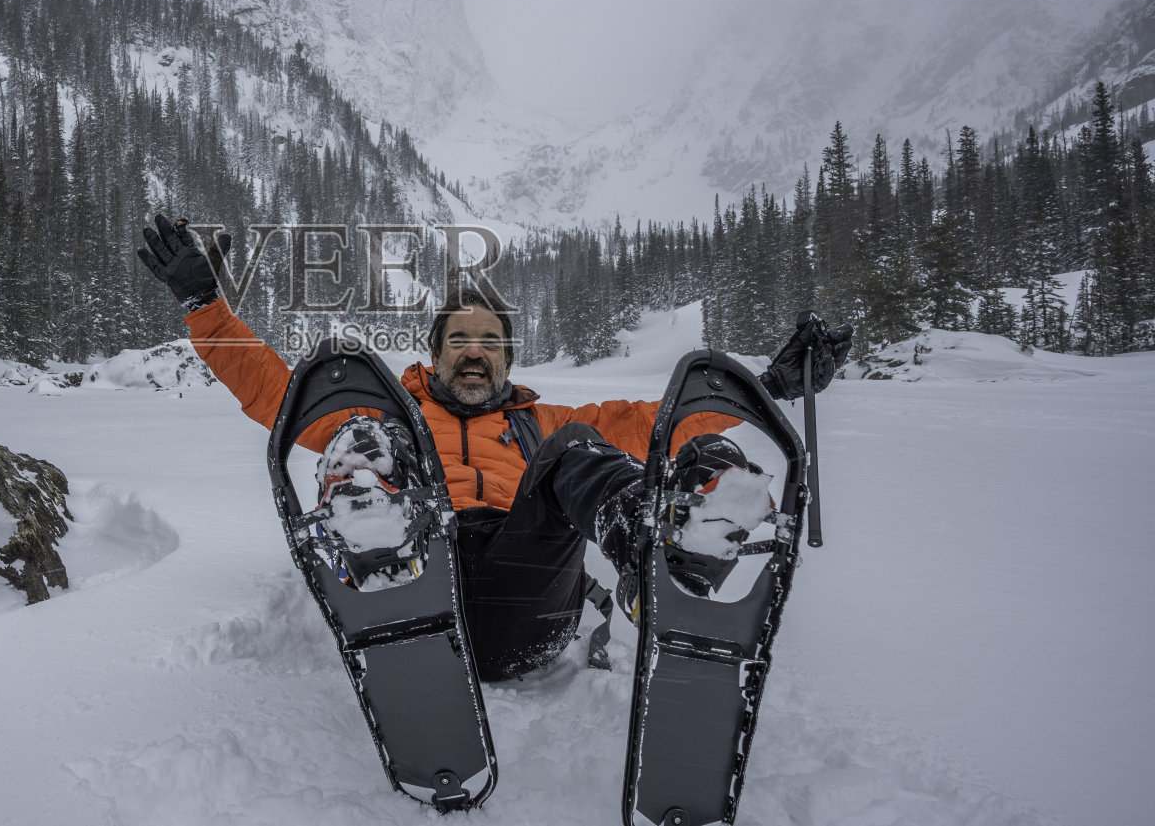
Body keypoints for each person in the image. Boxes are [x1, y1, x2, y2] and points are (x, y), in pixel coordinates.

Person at [138, 214, 852, 681]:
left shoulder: (543, 421)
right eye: (460, 341)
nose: (474, 354)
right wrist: (207, 306)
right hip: (422, 576)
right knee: (369, 435)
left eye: (489, 343)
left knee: (580, 444)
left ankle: (656, 545)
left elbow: (656, 423)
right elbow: (276, 394)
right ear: (435, 354)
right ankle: (379, 544)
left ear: (508, 360)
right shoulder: (400, 412)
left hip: (526, 599)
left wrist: (767, 388)